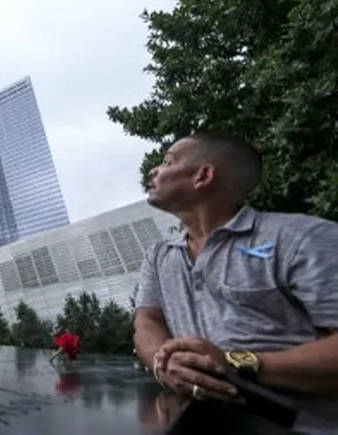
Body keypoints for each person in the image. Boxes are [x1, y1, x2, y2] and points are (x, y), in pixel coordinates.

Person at [132, 133, 338, 430]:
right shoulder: (159, 255)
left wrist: (239, 364)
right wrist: (164, 364)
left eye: (167, 161)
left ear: (203, 175)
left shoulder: (302, 238)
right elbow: (147, 322)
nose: (154, 170)